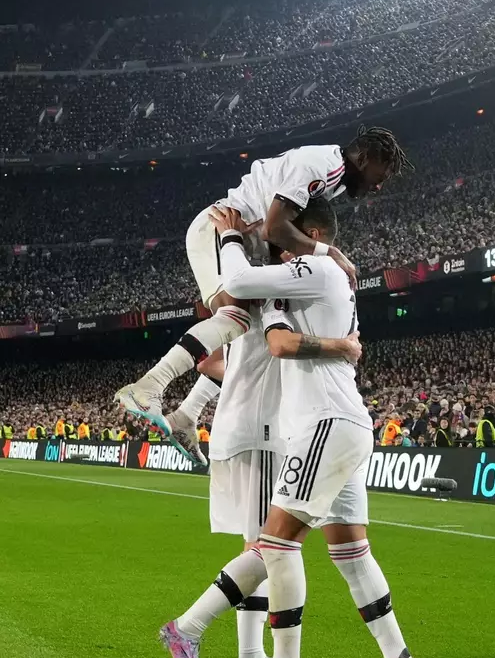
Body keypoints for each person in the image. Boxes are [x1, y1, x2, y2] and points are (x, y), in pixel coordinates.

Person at [214, 199, 420, 658]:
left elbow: (241, 288)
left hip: (324, 425)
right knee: (351, 552)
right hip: (343, 422)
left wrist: (231, 238)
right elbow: (251, 312)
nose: (275, 240)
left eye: (280, 232)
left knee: (276, 544)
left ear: (308, 232)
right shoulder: (313, 281)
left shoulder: (317, 266)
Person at [158, 202, 362, 658]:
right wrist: (339, 345)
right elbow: (223, 358)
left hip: (264, 429)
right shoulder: (259, 291)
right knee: (271, 546)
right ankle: (213, 641)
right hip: (259, 430)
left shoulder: (265, 290)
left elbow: (219, 364)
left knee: (267, 544)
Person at [115, 128, 409, 463]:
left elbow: (276, 233)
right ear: (365, 158)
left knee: (246, 334)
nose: (379, 185)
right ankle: (149, 387)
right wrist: (331, 253)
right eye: (380, 175)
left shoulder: (334, 176)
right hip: (223, 229)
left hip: (241, 242)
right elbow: (274, 229)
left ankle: (186, 415)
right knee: (234, 319)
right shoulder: (323, 167)